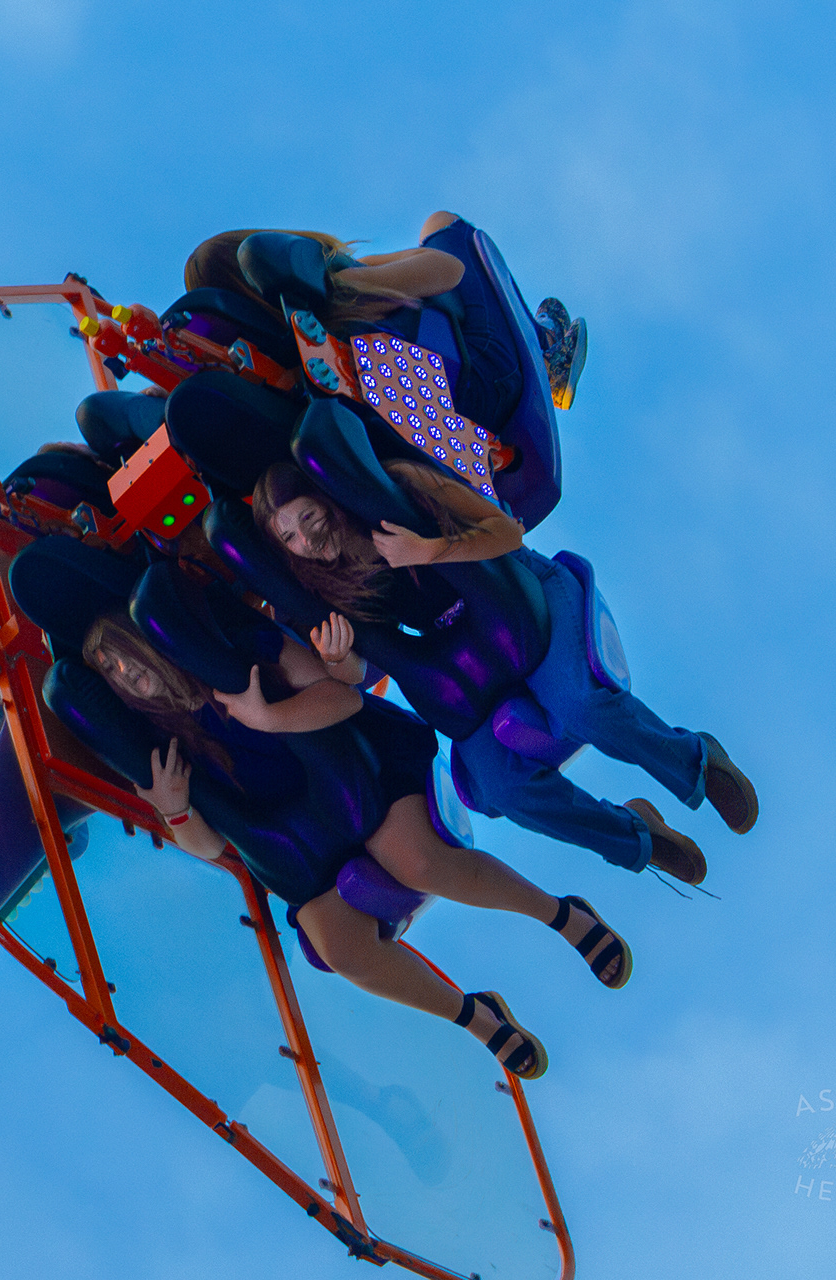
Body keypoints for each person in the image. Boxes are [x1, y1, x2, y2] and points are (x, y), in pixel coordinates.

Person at [72, 602, 635, 1082]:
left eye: (125, 652)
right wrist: (173, 810)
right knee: (340, 950)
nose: (124, 670)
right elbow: (209, 847)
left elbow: (342, 698)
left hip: (353, 769)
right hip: (298, 836)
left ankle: (566, 917)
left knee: (416, 862)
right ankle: (478, 1017)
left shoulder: (229, 650)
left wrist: (265, 715)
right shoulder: (155, 743)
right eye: (109, 669)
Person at [247, 454, 758, 883]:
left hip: (523, 597)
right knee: (501, 788)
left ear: (329, 498)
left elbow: (506, 532)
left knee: (581, 707)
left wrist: (428, 551)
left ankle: (696, 761)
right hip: (464, 655)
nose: (307, 542)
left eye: (309, 519)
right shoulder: (319, 585)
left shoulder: (398, 482)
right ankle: (635, 837)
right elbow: (358, 676)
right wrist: (338, 659)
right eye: (289, 538)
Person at [185, 211, 587, 418]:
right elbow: (448, 270)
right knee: (443, 225)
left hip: (449, 420)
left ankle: (541, 342)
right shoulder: (334, 287)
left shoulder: (280, 358)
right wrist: (365, 272)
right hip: (487, 378)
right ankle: (545, 349)